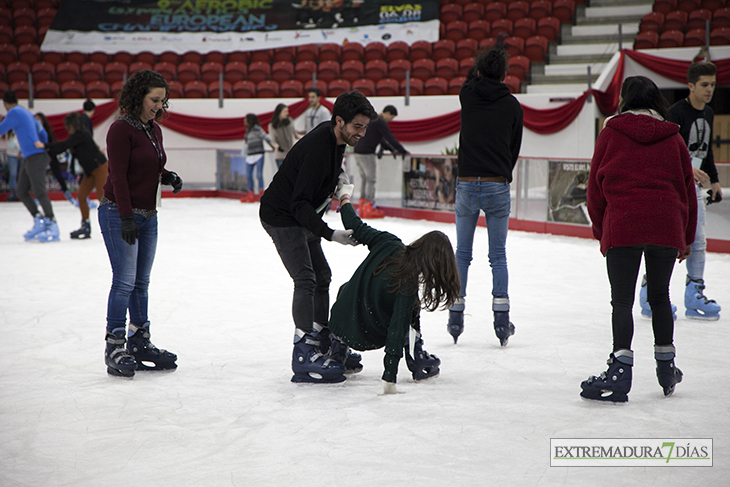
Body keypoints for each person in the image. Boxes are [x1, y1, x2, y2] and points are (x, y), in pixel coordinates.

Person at [581, 76, 697, 403]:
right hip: (666, 224)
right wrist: (685, 238)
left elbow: (594, 188)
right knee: (659, 296)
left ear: (625, 100)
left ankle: (620, 370)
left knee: (622, 300)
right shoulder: (673, 139)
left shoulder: (610, 134)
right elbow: (687, 191)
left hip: (623, 224)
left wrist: (601, 230)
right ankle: (666, 367)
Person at [259, 90, 376, 384]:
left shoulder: (337, 140)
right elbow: (298, 202)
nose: (361, 133)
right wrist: (330, 233)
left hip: (304, 215)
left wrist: (340, 185)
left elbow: (326, 176)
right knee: (306, 278)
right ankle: (303, 351)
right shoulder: (318, 145)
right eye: (357, 126)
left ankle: (321, 339)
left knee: (322, 275)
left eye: (365, 127)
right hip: (283, 217)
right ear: (339, 121)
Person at [328, 187, 460, 394]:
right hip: (367, 336)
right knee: (409, 311)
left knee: (347, 288)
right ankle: (416, 356)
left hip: (340, 322)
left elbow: (355, 226)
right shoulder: (407, 285)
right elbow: (397, 330)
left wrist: (344, 198)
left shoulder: (389, 242)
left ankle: (338, 349)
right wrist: (389, 378)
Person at [99, 70, 183, 378]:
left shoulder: (153, 129)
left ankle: (139, 340)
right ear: (138, 97)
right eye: (154, 100)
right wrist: (124, 217)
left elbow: (151, 166)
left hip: (149, 216)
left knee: (141, 283)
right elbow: (118, 176)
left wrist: (167, 176)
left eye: (162, 100)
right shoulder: (120, 129)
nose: (159, 106)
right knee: (124, 281)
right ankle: (114, 344)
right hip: (118, 213)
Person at [446, 48, 523, 346]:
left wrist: (477, 67)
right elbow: (514, 148)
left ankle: (455, 315)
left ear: (478, 72)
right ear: (504, 75)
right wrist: (503, 173)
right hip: (496, 183)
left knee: (462, 254)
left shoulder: (468, 95)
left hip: (466, 183)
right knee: (498, 255)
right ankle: (502, 320)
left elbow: (468, 79)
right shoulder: (513, 106)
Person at [660, 61, 721, 321]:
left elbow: (706, 151)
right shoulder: (675, 113)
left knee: (698, 239)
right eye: (704, 85)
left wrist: (715, 180)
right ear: (691, 86)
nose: (709, 90)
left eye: (713, 85)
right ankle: (650, 293)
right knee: (665, 240)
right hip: (674, 187)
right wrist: (686, 169)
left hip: (695, 188)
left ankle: (694, 293)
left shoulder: (708, 113)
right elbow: (666, 151)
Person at [0, 90, 58, 242]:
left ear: (5, 103)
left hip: (35, 157)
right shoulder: (26, 112)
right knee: (21, 190)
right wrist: (43, 145)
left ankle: (52, 223)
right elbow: (42, 132)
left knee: (39, 191)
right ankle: (39, 218)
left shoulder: (14, 113)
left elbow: (1, 129)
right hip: (31, 156)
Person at [41, 112, 108, 239]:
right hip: (90, 171)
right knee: (81, 197)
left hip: (100, 168)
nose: (66, 128)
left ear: (73, 124)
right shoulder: (79, 136)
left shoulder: (81, 135)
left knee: (103, 199)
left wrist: (45, 146)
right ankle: (85, 225)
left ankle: (113, 226)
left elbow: (63, 145)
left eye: (68, 125)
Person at [352, 105, 408, 218]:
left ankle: (362, 206)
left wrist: (391, 149)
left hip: (358, 151)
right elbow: (389, 137)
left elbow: (380, 139)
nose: (391, 120)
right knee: (371, 179)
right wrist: (403, 151)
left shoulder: (374, 120)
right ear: (387, 113)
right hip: (367, 153)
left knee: (365, 179)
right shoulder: (380, 121)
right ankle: (368, 207)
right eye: (391, 117)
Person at [35, 112, 76, 205]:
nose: (36, 121)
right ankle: (39, 196)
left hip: (50, 155)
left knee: (58, 175)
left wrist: (49, 155)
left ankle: (67, 193)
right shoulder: (35, 132)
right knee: (40, 177)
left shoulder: (45, 132)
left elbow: (51, 145)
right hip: (40, 157)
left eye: (38, 119)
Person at [240, 113, 276, 203]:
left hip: (259, 154)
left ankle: (261, 194)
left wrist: (273, 146)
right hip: (250, 155)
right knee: (248, 175)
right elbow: (246, 142)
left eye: (246, 119)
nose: (244, 121)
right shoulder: (248, 130)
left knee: (259, 175)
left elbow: (266, 138)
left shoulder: (257, 129)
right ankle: (250, 194)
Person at [269, 103, 298, 170]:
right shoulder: (272, 125)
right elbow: (273, 140)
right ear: (279, 112)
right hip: (280, 154)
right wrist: (277, 146)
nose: (287, 113)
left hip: (290, 153)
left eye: (287, 111)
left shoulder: (290, 121)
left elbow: (295, 134)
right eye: (285, 111)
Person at [4, 129, 20, 200]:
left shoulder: (22, 127)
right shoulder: (8, 130)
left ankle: (21, 192)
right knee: (13, 174)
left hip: (22, 154)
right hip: (11, 154)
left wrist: (21, 152)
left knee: (22, 174)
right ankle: (13, 192)